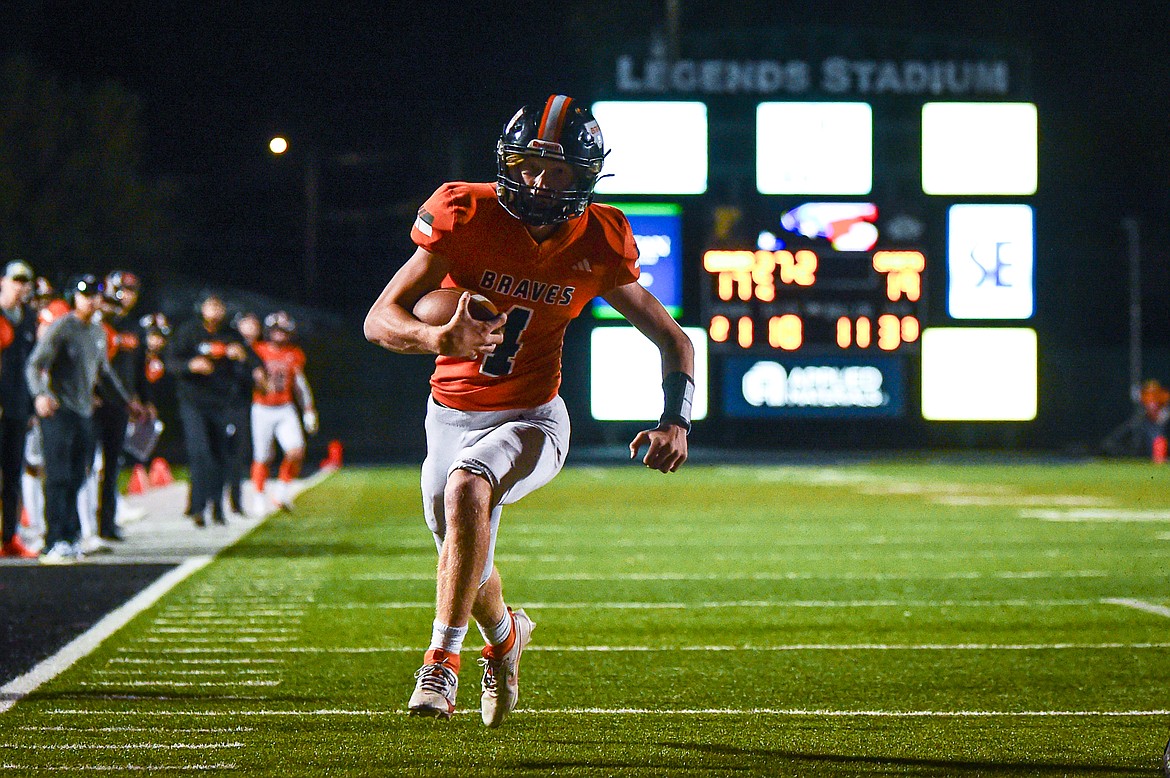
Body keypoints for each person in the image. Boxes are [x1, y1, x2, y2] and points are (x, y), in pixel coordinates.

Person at [364, 95, 693, 726]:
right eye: (528, 164)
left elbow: (673, 339)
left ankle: (441, 662)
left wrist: (675, 420)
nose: (540, 181)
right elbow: (380, 318)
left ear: (586, 174)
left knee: (469, 489)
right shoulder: (466, 212)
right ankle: (507, 638)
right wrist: (437, 337)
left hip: (535, 418)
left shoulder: (600, 238)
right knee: (465, 552)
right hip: (449, 414)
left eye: (559, 169)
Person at [25, 275, 142, 563]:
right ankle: (54, 541)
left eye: (94, 295)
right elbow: (34, 364)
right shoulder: (62, 327)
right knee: (59, 476)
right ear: (73, 297)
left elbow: (104, 371)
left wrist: (127, 400)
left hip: (84, 413)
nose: (90, 300)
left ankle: (71, 536)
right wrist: (40, 394)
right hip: (59, 412)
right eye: (84, 294)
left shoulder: (99, 331)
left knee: (78, 476)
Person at [166, 292, 259, 527]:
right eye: (211, 305)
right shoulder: (189, 332)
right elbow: (171, 361)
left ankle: (218, 508)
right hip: (194, 402)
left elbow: (252, 363)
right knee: (200, 454)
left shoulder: (230, 334)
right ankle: (198, 508)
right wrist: (190, 365)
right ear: (201, 308)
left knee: (221, 455)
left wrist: (242, 358)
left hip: (221, 403)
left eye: (219, 305)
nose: (216, 310)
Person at [93, 270, 148, 541]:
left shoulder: (134, 328)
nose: (125, 297)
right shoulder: (96, 324)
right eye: (120, 291)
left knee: (112, 464)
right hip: (93, 401)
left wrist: (142, 399)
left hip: (120, 402)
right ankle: (83, 522)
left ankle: (107, 522)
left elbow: (139, 369)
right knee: (89, 465)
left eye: (130, 291)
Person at [249, 311, 317, 514]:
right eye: (276, 330)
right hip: (262, 408)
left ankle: (282, 490)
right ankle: (259, 497)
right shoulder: (257, 350)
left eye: (283, 331)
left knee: (296, 450)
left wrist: (308, 409)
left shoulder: (294, 353)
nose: (280, 334)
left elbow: (300, 384)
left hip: (285, 407)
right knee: (262, 457)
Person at [0, 261, 39, 557]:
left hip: (17, 409)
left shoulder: (30, 319)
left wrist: (32, 404)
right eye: (16, 279)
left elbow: (32, 367)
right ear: (3, 281)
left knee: (13, 474)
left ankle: (9, 537)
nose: (21, 285)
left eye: (26, 281)